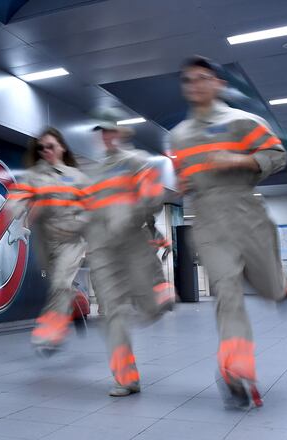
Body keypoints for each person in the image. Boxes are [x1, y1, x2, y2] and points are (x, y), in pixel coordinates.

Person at [169, 56, 287, 409]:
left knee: (268, 285)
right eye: (188, 80)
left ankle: (279, 282)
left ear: (219, 83)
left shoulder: (243, 121)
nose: (195, 85)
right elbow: (185, 176)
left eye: (203, 77)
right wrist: (184, 185)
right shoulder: (178, 136)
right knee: (227, 292)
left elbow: (276, 155)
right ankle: (235, 368)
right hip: (206, 217)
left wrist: (240, 160)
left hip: (245, 210)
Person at [84, 122, 173, 397]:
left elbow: (153, 198)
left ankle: (158, 297)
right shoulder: (94, 171)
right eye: (103, 133)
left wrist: (131, 215)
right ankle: (126, 378)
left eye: (111, 131)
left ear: (122, 134)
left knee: (149, 306)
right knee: (113, 313)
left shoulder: (138, 162)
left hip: (131, 242)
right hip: (103, 249)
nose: (107, 137)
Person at [7, 128, 89, 355]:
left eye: (50, 146)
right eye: (41, 148)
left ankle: (52, 333)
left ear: (62, 147)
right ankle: (77, 299)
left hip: (71, 239)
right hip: (45, 241)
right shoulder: (33, 175)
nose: (46, 151)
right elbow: (17, 198)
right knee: (59, 284)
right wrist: (15, 210)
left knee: (60, 283)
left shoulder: (77, 177)